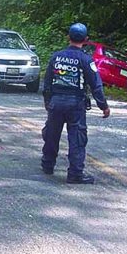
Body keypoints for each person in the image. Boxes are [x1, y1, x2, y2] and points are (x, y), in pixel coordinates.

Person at [41, 23, 111, 184]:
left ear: (68, 37)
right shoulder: (86, 60)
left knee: (52, 134)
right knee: (77, 138)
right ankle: (75, 173)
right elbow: (96, 85)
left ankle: (47, 165)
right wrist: (104, 106)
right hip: (75, 104)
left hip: (56, 102)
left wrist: (47, 101)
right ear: (86, 40)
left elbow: (47, 83)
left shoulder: (56, 56)